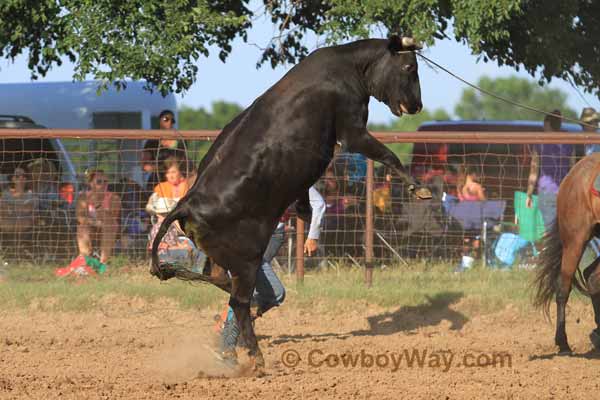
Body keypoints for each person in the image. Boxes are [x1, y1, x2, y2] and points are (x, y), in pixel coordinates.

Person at [216, 186, 326, 364]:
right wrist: (313, 236)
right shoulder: (291, 173)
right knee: (263, 291)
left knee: (258, 290)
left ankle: (230, 329)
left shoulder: (271, 172)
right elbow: (319, 204)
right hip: (252, 239)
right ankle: (228, 337)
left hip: (258, 237)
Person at [146, 157, 204, 269]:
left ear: (180, 173)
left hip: (184, 221)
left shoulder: (188, 185)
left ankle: (194, 264)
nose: (170, 175)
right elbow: (149, 206)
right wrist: (157, 209)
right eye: (168, 173)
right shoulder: (161, 187)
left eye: (173, 172)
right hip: (165, 221)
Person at [526, 110, 573, 232]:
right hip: (565, 191)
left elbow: (534, 169)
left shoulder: (540, 142)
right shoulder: (569, 140)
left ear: (547, 124)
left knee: (550, 231)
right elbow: (572, 168)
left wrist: (529, 194)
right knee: (565, 230)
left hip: (547, 191)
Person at [76, 170, 122, 264]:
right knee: (82, 227)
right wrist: (94, 222)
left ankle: (104, 261)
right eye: (99, 182)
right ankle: (85, 259)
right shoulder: (83, 197)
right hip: (91, 226)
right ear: (91, 183)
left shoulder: (114, 197)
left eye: (105, 181)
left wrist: (97, 205)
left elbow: (113, 217)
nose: (103, 184)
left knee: (110, 225)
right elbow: (80, 217)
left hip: (108, 228)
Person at [141, 110, 190, 197]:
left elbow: (184, 161)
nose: (169, 122)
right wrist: (162, 168)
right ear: (159, 121)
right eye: (166, 119)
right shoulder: (152, 141)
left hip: (176, 181)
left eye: (172, 120)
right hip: (157, 181)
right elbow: (145, 166)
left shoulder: (180, 141)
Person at [0, 167, 36, 257]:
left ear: (26, 179)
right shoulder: (6, 194)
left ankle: (17, 252)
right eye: (17, 176)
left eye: (23, 176)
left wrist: (11, 207)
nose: (20, 178)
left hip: (24, 223)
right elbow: (2, 209)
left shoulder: (31, 194)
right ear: (12, 179)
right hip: (8, 223)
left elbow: (29, 209)